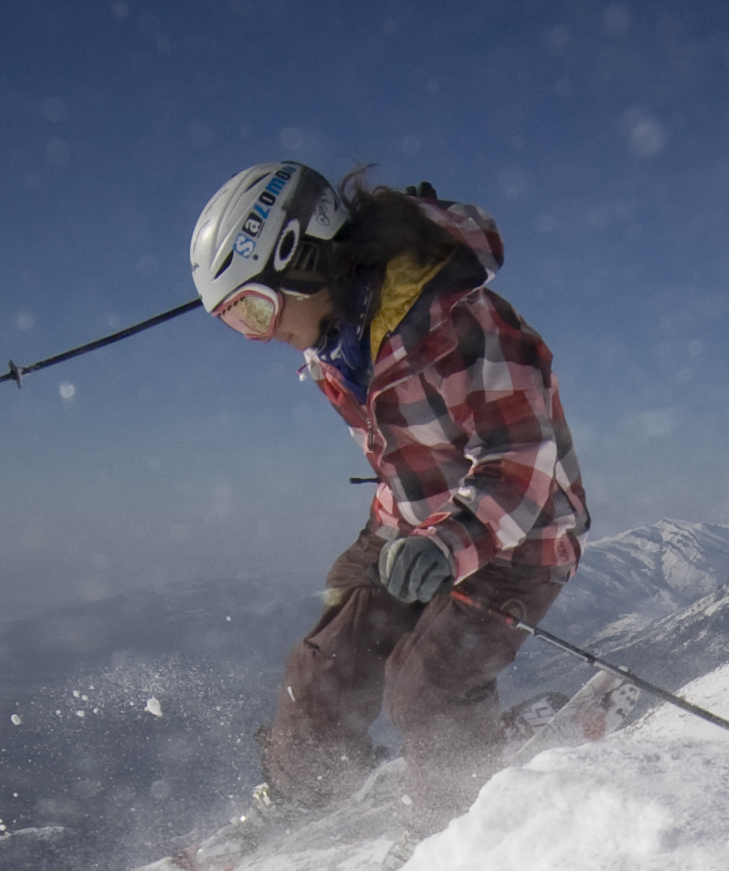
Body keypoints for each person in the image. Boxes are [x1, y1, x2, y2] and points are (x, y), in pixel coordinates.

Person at [189, 159, 589, 830]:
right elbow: (409, 458)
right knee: (327, 665)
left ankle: (452, 829)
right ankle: (303, 797)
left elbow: (523, 456)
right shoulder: (339, 341)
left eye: (254, 309)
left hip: (522, 535)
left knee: (428, 685)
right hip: (414, 529)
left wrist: (448, 543)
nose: (259, 335)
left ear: (301, 261)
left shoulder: (455, 324)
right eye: (236, 321)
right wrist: (390, 544)